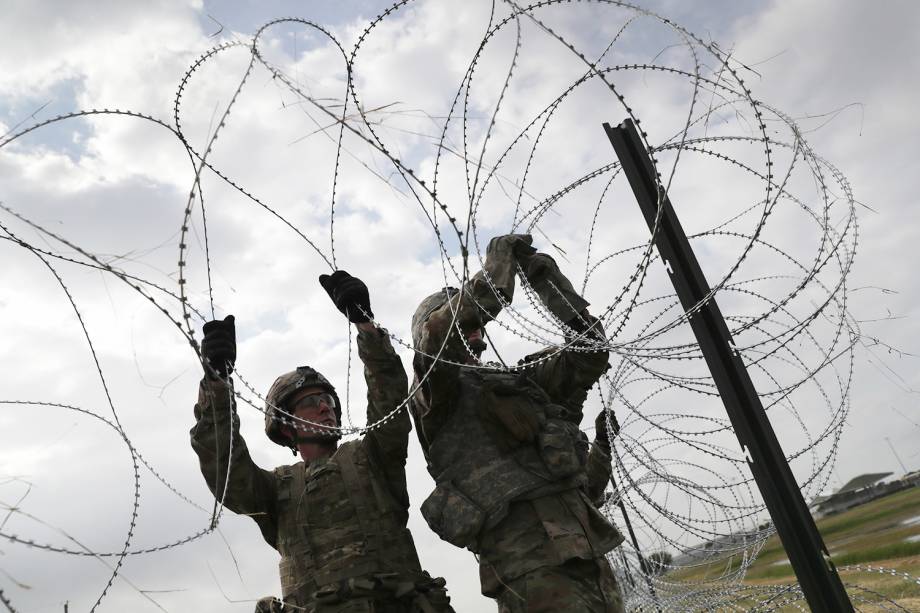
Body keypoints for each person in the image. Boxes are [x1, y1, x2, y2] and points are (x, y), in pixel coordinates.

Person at [191, 271, 453, 613]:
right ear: (286, 428)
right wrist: (216, 380)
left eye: (327, 402)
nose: (323, 408)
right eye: (309, 403)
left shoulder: (371, 458)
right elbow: (224, 465)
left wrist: (365, 325)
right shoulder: (275, 489)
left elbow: (387, 402)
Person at [410, 235, 624, 612]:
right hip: (528, 565)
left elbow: (588, 355)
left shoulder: (519, 385)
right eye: (462, 314)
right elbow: (441, 336)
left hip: (588, 552)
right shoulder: (435, 396)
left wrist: (549, 285)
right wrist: (495, 273)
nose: (474, 325)